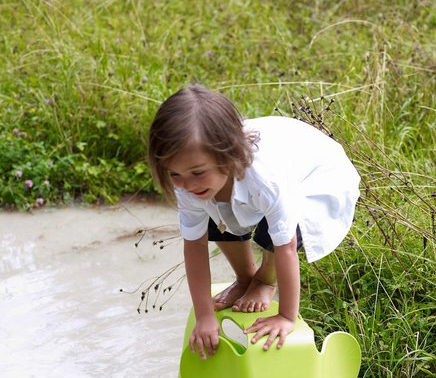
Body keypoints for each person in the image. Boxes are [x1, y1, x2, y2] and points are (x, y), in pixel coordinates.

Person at [148, 85, 360, 359]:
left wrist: (286, 316)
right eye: (175, 175)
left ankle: (264, 280)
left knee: (276, 230)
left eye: (198, 172)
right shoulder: (191, 180)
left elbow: (286, 245)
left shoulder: (265, 179)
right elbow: (194, 245)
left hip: (317, 175)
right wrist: (204, 316)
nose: (187, 185)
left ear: (227, 155)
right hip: (259, 173)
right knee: (214, 214)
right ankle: (245, 277)